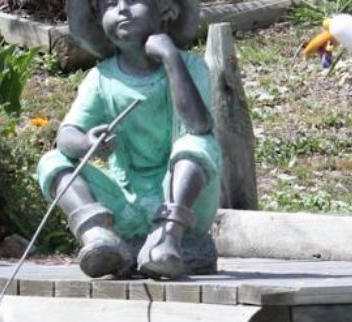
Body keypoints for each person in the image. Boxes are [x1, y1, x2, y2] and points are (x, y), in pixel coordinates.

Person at [36, 0, 221, 279]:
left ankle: (167, 237)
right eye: (110, 5)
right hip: (125, 206)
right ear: (98, 19)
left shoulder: (190, 65)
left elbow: (199, 124)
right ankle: (100, 237)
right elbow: (66, 136)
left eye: (133, 0)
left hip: (182, 201)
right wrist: (86, 143)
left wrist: (171, 59)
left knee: (197, 143)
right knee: (52, 161)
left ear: (166, 9)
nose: (122, 9)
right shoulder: (101, 78)